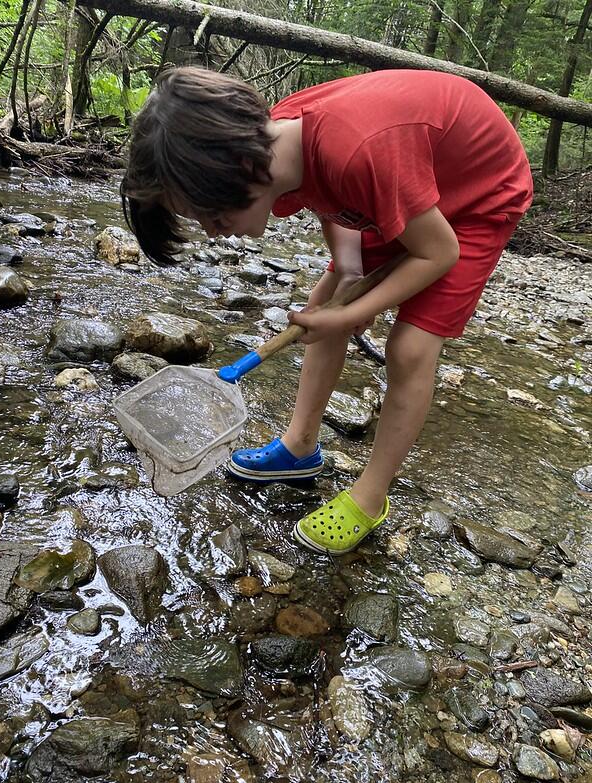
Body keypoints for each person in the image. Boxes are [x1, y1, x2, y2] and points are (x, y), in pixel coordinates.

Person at [121, 66, 533, 555]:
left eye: (213, 216)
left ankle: (370, 495)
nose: (214, 232)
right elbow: (333, 203)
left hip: (475, 198)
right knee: (327, 298)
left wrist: (349, 315)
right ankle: (299, 446)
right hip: (406, 182)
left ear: (247, 172)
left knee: (410, 348)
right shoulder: (278, 145)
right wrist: (351, 274)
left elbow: (437, 253)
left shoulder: (358, 150)